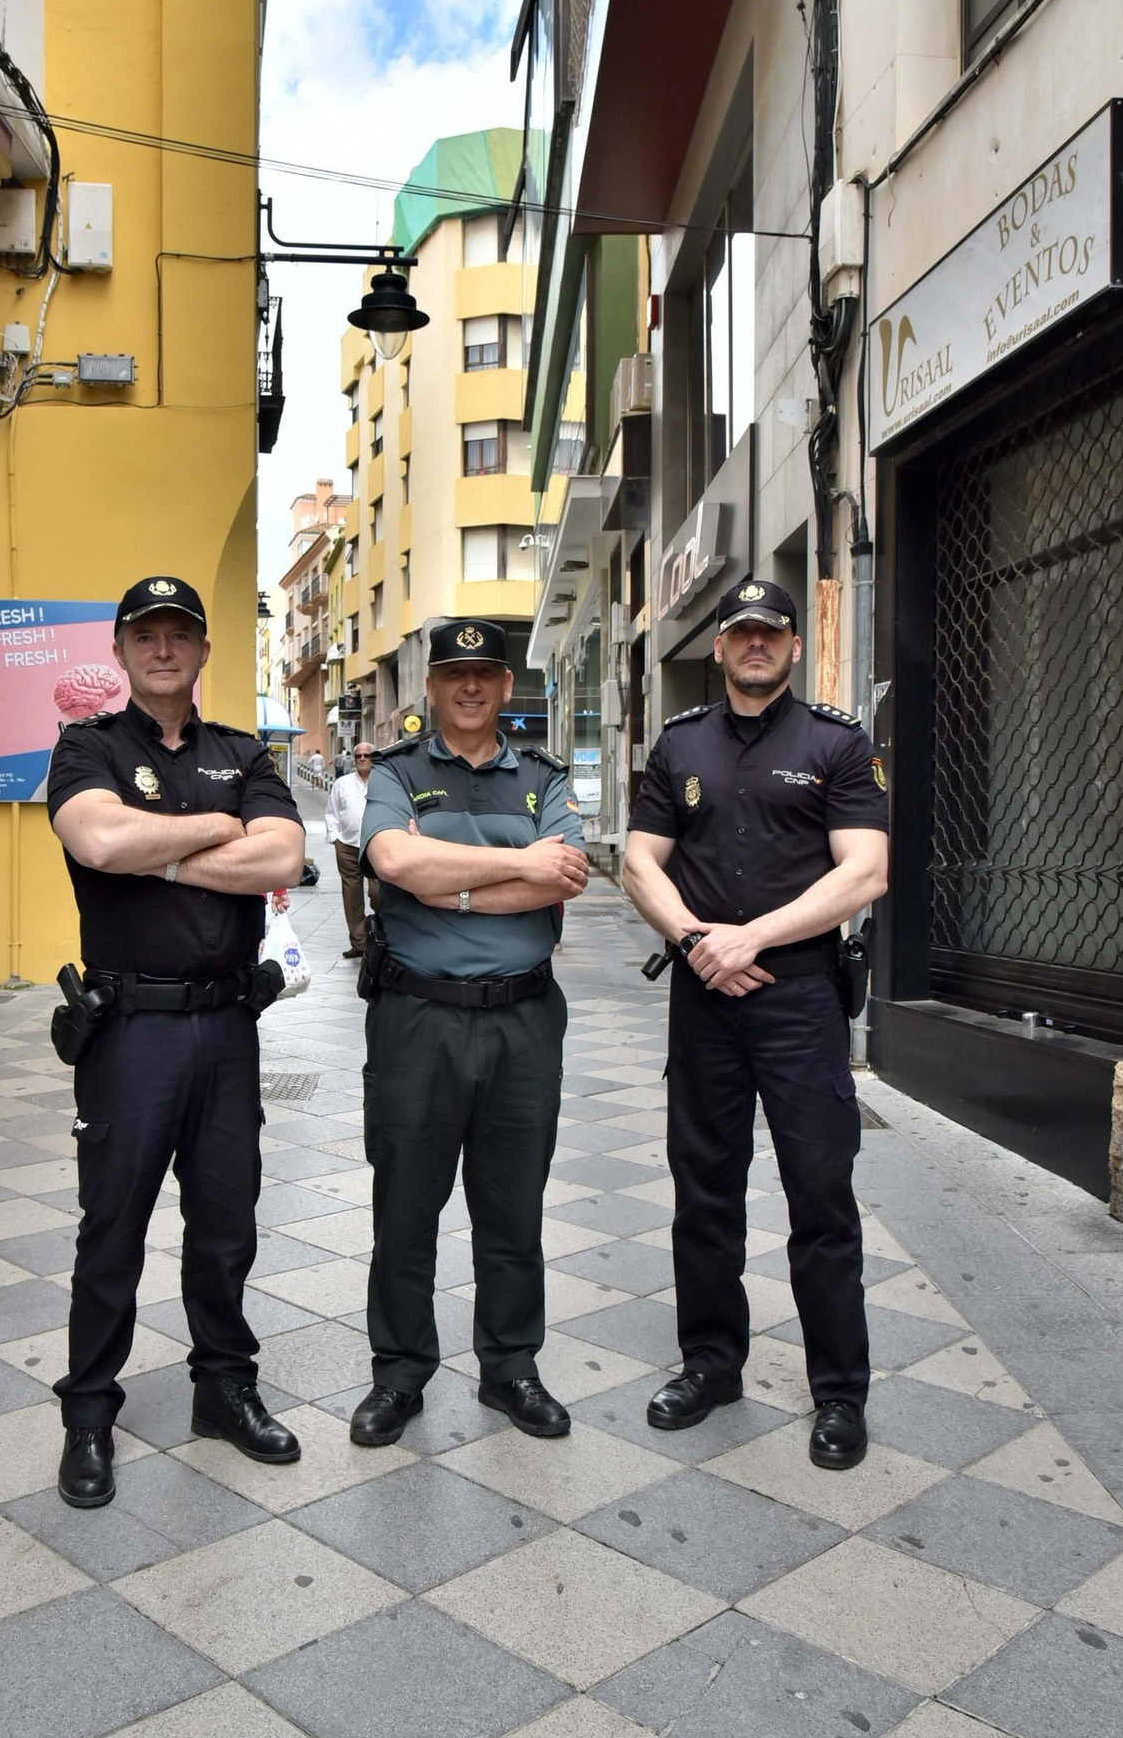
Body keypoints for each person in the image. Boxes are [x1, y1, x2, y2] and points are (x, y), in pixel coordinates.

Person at [45, 574, 307, 1507]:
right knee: (113, 1224)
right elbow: (98, 845)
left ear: (202, 652)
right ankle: (88, 1413)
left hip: (229, 1027)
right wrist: (213, 831)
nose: (162, 648)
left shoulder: (245, 750)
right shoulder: (86, 749)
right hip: (131, 1032)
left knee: (227, 1221)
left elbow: (282, 858)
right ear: (119, 651)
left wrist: (157, 843)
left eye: (179, 635)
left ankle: (223, 1388)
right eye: (144, 634)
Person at [622, 577, 889, 1471]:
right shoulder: (679, 744)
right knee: (704, 1192)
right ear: (721, 646)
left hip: (801, 998)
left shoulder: (837, 745)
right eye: (741, 633)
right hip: (704, 998)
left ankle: (840, 1394)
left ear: (792, 645)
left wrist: (752, 939)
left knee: (820, 1194)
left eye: (770, 632)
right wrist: (699, 940)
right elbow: (638, 861)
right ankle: (711, 1365)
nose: (755, 644)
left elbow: (865, 872)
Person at [350, 619, 588, 1447]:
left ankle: (511, 1368)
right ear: (432, 687)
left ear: (506, 686)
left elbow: (565, 878)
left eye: (486, 673)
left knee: (513, 1210)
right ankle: (400, 1373)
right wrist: (520, 863)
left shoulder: (544, 775)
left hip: (525, 1019)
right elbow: (394, 864)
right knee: (406, 1207)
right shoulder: (400, 772)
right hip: (417, 1020)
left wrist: (449, 877)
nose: (471, 688)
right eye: (456, 675)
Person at [324, 740, 377, 957]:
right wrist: (335, 838)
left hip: (376, 844)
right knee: (352, 894)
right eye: (358, 756)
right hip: (347, 844)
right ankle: (359, 943)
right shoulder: (342, 783)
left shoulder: (384, 782)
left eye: (367, 755)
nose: (363, 759)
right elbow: (331, 812)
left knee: (379, 893)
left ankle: (384, 935)